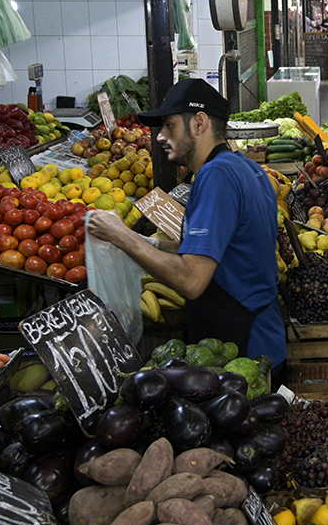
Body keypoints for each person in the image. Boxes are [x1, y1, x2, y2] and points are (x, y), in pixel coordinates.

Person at [86, 79, 285, 375]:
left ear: (199, 123)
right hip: (259, 340)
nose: (162, 136)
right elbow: (209, 250)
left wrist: (123, 236)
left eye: (170, 125)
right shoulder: (246, 167)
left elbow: (192, 281)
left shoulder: (216, 176)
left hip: (242, 353)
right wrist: (144, 243)